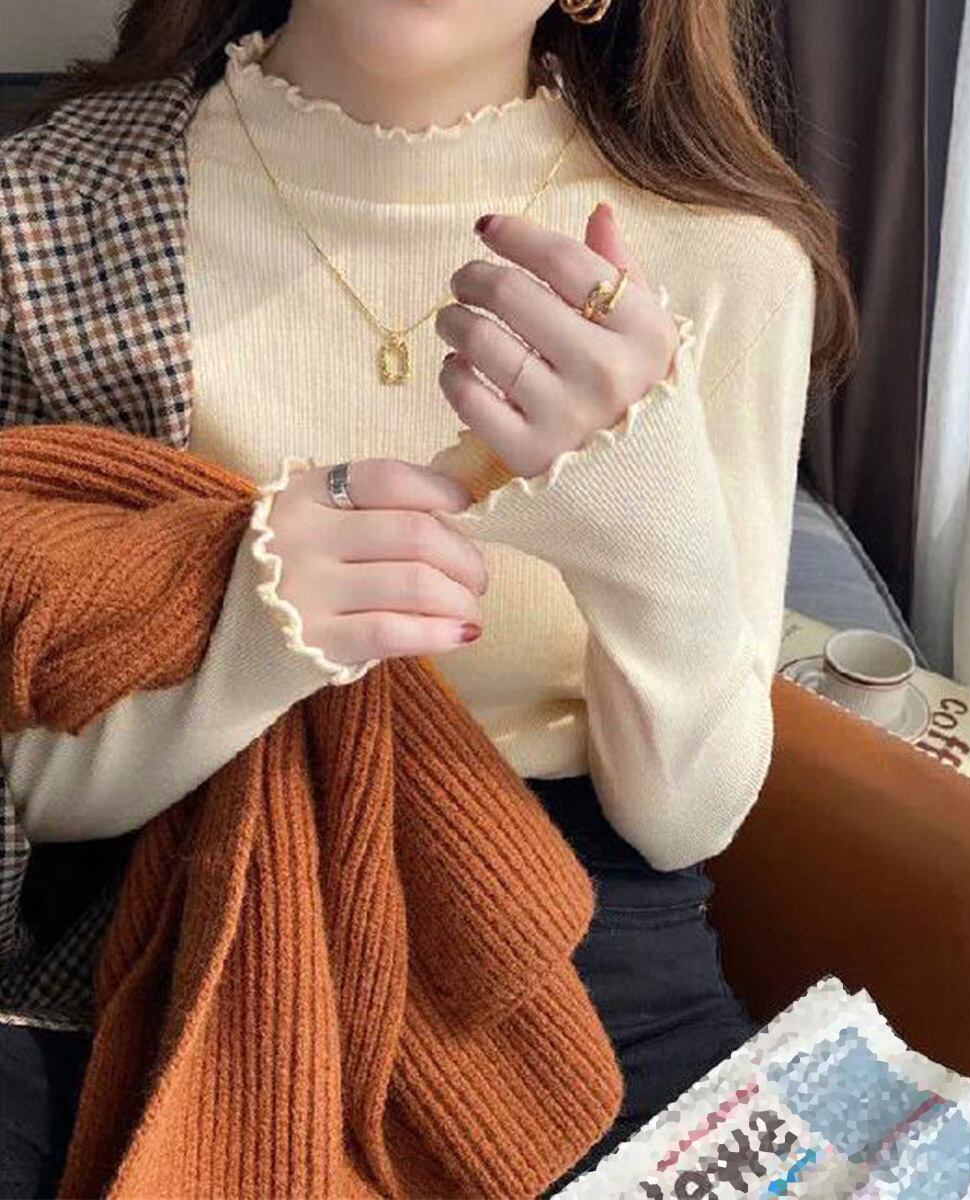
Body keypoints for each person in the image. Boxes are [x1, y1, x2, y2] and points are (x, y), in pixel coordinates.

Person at [0, 0, 858, 1195]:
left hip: (585, 962)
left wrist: (645, 524)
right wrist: (249, 638)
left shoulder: (729, 258)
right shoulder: (47, 216)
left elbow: (688, 817)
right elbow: (27, 794)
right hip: (161, 934)